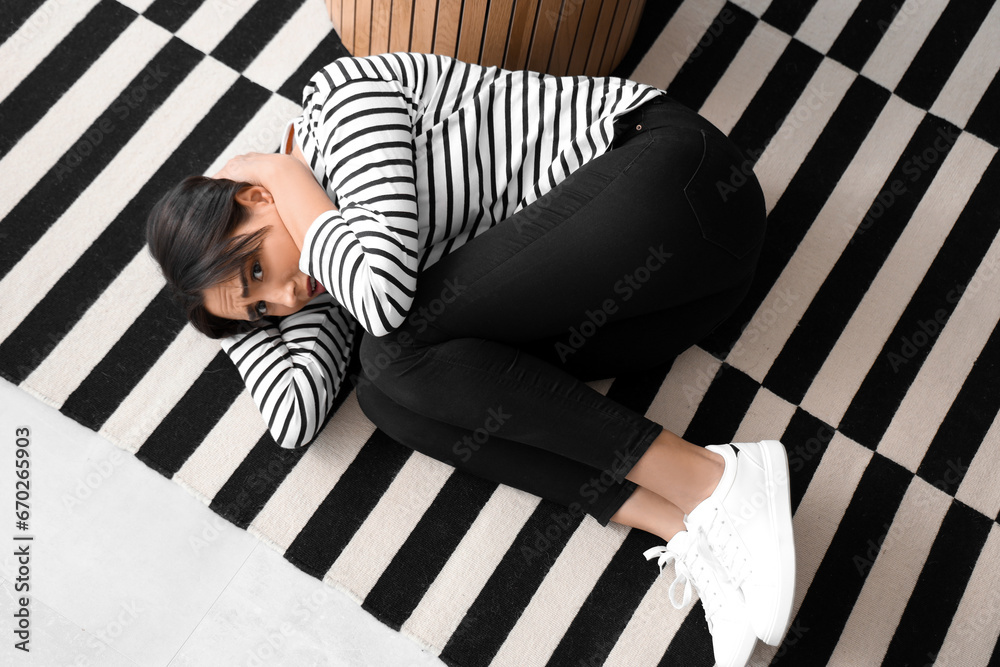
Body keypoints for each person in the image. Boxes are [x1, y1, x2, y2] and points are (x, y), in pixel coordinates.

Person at [145, 52, 795, 666]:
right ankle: (687, 527)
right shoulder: (321, 258)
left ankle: (717, 481)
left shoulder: (343, 104)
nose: (284, 297)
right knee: (384, 397)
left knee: (389, 350)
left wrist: (280, 173)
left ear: (256, 195)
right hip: (672, 299)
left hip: (676, 185)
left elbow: (381, 294)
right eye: (262, 307)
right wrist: (230, 313)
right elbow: (294, 412)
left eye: (258, 268)